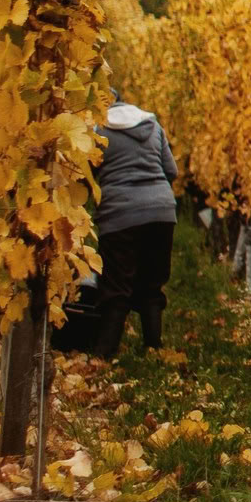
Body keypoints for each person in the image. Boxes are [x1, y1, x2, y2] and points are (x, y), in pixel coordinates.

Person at [86, 100, 178, 357]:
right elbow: (171, 170)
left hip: (120, 215)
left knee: (116, 285)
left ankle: (105, 352)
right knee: (151, 283)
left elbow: (84, 175)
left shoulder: (99, 131)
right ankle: (153, 348)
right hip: (162, 213)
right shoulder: (152, 124)